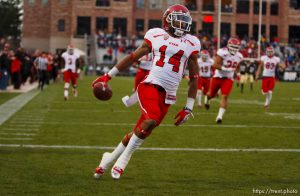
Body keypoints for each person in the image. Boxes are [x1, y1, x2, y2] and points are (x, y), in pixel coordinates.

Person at [92, 4, 201, 180]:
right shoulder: (156, 35)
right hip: (150, 85)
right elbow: (132, 57)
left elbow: (195, 77)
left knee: (140, 131)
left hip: (168, 95)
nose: (182, 25)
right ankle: (122, 161)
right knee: (150, 120)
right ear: (167, 21)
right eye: (178, 21)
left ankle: (107, 159)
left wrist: (189, 108)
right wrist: (107, 75)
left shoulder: (192, 43)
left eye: (184, 22)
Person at [204, 38, 243, 123]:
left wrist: (239, 75)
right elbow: (214, 65)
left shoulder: (239, 56)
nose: (234, 49)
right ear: (228, 46)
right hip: (218, 76)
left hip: (229, 79)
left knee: (225, 96)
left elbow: (238, 66)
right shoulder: (223, 52)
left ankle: (219, 117)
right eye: (232, 46)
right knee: (211, 95)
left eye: (236, 47)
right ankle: (207, 99)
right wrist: (224, 68)